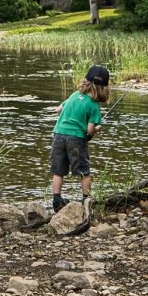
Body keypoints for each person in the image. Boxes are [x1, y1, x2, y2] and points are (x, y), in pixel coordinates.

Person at [49, 65, 109, 213]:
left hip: (58, 134)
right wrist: (97, 128)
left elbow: (58, 110)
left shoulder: (74, 95)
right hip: (75, 139)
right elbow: (89, 130)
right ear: (103, 88)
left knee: (58, 171)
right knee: (83, 171)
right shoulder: (94, 106)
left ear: (86, 81)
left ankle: (56, 200)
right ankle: (86, 200)